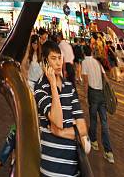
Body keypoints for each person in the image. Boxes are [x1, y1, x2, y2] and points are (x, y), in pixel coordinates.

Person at [34, 40, 88, 176]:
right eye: (53, 58)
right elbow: (57, 120)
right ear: (45, 62)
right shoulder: (40, 89)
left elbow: (82, 128)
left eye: (59, 57)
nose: (58, 63)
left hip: (74, 168)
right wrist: (52, 84)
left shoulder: (69, 87)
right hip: (52, 168)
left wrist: (60, 132)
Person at [81, 45, 114, 163]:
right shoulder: (97, 63)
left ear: (84, 53)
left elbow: (85, 82)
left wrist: (85, 96)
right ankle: (109, 152)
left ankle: (94, 141)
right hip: (102, 94)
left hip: (93, 93)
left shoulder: (85, 63)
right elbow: (106, 79)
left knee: (93, 118)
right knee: (104, 122)